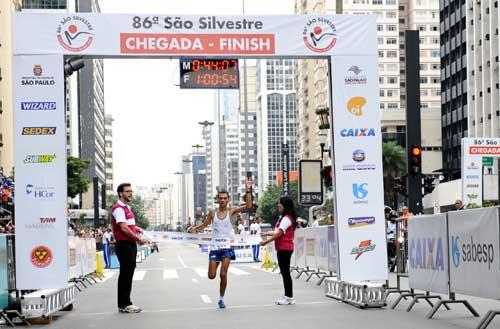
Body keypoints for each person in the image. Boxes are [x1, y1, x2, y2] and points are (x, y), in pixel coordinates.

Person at [187, 178, 253, 309]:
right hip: (215, 248)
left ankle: (221, 299)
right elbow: (204, 225)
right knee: (211, 276)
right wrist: (193, 229)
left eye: (225, 198)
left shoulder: (232, 211)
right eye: (220, 198)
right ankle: (216, 271)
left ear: (228, 200)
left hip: (227, 248)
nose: (222, 200)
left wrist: (248, 190)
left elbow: (248, 206)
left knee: (223, 274)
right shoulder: (212, 213)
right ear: (218, 200)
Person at [111, 183, 148, 314]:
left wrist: (137, 229)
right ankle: (125, 304)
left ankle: (124, 303)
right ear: (121, 193)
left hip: (129, 244)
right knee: (126, 274)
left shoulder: (127, 208)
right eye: (127, 191)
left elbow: (129, 225)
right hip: (124, 244)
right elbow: (123, 227)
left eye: (131, 191)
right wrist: (138, 238)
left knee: (128, 273)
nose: (130, 193)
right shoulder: (118, 208)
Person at [260, 196, 297, 305]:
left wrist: (266, 242)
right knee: (284, 272)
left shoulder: (286, 219)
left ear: (284, 205)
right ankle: (287, 295)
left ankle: (289, 297)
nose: (278, 205)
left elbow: (279, 234)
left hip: (285, 248)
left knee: (285, 273)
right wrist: (266, 233)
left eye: (279, 203)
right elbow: (277, 231)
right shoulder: (283, 218)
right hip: (283, 248)